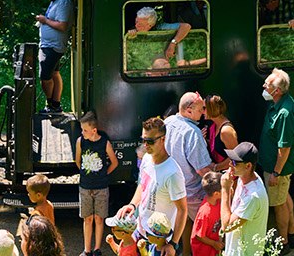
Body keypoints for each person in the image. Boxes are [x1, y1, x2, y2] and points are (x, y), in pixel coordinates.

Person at [117, 117, 189, 249]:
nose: (145, 145)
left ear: (163, 139)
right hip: (140, 232)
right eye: (143, 140)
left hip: (159, 241)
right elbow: (142, 185)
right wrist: (132, 205)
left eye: (150, 141)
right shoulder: (146, 159)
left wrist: (173, 243)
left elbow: (183, 210)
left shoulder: (173, 173)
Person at [258, 68, 294, 247]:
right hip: (273, 166)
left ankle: (283, 243)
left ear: (277, 91)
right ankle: (293, 233)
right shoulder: (277, 103)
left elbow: (285, 148)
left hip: (278, 169)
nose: (263, 86)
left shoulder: (285, 113)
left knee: (278, 204)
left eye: (267, 84)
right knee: (283, 197)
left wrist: (276, 172)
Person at [164, 93, 215, 221]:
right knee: (206, 232)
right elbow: (202, 170)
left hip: (171, 190)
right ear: (189, 111)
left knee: (181, 227)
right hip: (193, 193)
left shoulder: (167, 122)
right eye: (200, 109)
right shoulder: (193, 133)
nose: (203, 113)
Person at [76, 113, 117, 256]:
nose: (82, 132)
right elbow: (78, 161)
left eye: (85, 130)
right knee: (87, 218)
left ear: (94, 130)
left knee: (99, 218)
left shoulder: (104, 143)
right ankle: (86, 250)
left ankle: (97, 249)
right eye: (82, 129)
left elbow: (114, 162)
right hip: (85, 187)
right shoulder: (80, 141)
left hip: (101, 188)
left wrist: (104, 174)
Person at [218, 142, 269, 256]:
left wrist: (225, 190)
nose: (230, 164)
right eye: (230, 160)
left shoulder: (253, 196)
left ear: (248, 166)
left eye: (235, 162)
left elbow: (226, 227)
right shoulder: (244, 178)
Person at [36, 0, 73, 113]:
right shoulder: (56, 1)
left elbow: (63, 26)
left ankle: (51, 104)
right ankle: (56, 105)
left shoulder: (64, 2)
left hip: (53, 46)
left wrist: (44, 20)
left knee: (45, 76)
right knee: (54, 73)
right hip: (50, 44)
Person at [128, 6, 197, 65]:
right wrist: (130, 38)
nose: (136, 26)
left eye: (140, 25)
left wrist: (173, 43)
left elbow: (186, 26)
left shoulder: (161, 27)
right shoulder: (133, 29)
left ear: (150, 25)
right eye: (136, 21)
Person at [190, 172, 224, 256]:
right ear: (216, 193)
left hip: (213, 247)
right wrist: (214, 243)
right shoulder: (204, 213)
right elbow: (199, 235)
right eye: (224, 189)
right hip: (203, 250)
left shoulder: (218, 201)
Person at [203, 96, 238, 171]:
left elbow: (235, 157)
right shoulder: (213, 125)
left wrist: (215, 167)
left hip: (230, 176)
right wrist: (203, 140)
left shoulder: (226, 131)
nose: (202, 111)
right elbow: (218, 146)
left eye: (204, 108)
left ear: (212, 109)